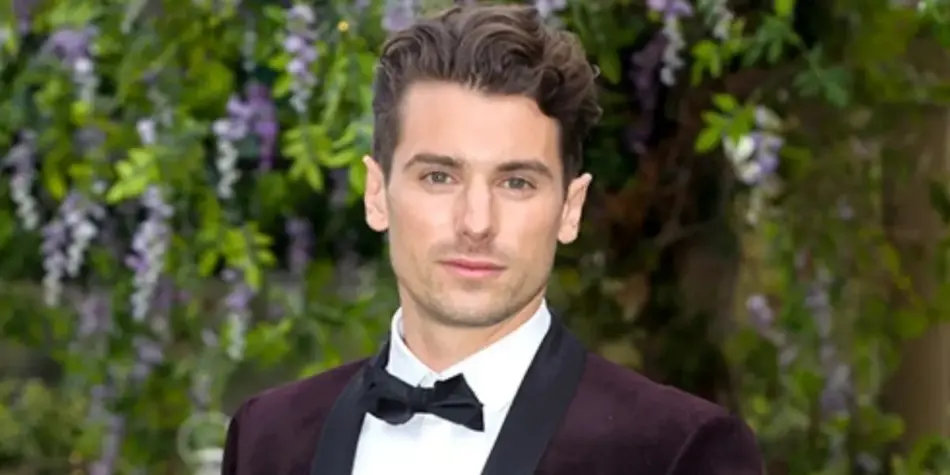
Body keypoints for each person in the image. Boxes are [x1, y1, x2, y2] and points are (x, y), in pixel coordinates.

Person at [221, 4, 764, 475]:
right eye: (439, 176)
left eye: (516, 182)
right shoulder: (266, 439)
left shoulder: (677, 453)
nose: (476, 222)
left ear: (569, 209)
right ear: (377, 194)